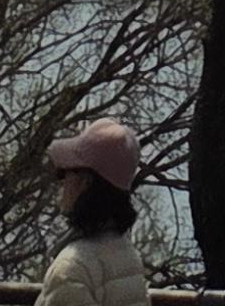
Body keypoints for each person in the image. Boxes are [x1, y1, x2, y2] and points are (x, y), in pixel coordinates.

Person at [38, 120, 152, 306]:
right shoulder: (127, 255)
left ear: (85, 183)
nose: (61, 181)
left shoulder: (71, 267)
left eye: (64, 173)